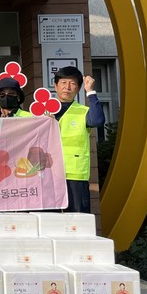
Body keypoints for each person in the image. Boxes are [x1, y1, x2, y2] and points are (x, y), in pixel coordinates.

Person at [53, 66, 105, 213]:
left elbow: (97, 120)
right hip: (49, 174)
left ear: (79, 88)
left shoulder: (83, 111)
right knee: (51, 220)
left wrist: (91, 92)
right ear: (55, 86)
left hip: (75, 174)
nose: (67, 87)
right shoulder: (44, 110)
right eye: (63, 82)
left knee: (77, 220)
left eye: (72, 83)